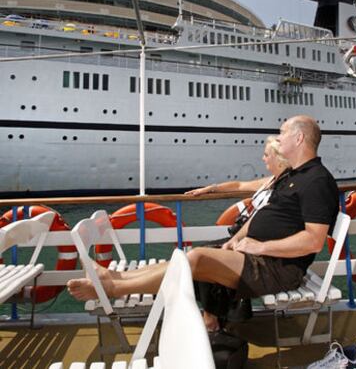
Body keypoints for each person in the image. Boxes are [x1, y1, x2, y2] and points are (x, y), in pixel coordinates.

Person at [67, 115, 339, 332]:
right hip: (256, 256)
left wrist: (260, 247)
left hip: (277, 268)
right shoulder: (292, 175)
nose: (278, 139)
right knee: (187, 257)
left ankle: (114, 288)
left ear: (299, 138)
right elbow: (262, 216)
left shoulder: (316, 181)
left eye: (283, 133)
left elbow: (313, 239)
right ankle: (114, 276)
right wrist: (237, 239)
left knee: (197, 259)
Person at [186, 136, 291, 331]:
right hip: (243, 235)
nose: (263, 158)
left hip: (255, 241)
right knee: (202, 252)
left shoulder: (285, 186)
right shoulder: (270, 181)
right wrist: (211, 189)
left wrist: (239, 240)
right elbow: (239, 186)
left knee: (208, 255)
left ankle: (211, 320)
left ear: (278, 158)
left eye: (266, 154)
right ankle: (218, 315)